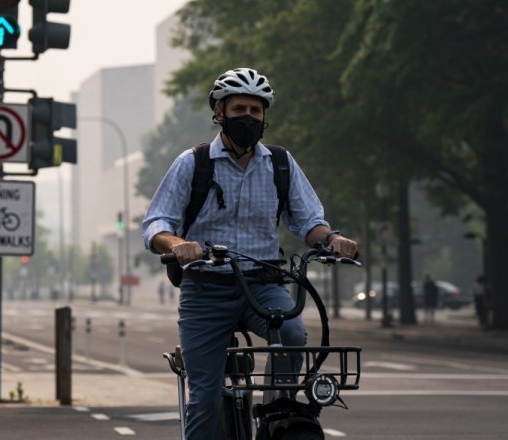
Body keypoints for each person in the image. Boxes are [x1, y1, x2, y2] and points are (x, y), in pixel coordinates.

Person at [142, 67, 359, 439]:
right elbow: (156, 225)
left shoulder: (279, 163)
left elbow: (309, 222)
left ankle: (278, 409)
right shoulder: (193, 163)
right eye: (239, 109)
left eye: (255, 111)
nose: (248, 117)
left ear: (265, 117)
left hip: (263, 286)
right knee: (205, 399)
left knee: (292, 332)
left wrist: (332, 239)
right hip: (205, 289)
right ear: (219, 113)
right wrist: (179, 245)